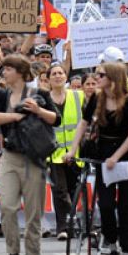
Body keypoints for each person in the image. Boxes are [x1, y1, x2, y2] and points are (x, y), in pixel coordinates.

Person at [0, 55, 60, 255]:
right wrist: (15, 117)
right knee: (7, 205)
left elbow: (55, 119)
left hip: (33, 157)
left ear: (19, 72)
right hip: (10, 155)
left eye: (8, 69)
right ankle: (13, 253)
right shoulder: (2, 94)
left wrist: (37, 110)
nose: (4, 73)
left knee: (33, 210)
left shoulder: (40, 94)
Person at [70, 61, 128, 255]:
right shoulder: (97, 99)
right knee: (107, 205)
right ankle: (112, 248)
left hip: (126, 156)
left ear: (112, 77)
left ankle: (126, 254)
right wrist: (73, 150)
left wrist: (116, 157)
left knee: (127, 207)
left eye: (100, 74)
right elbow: (83, 123)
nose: (96, 78)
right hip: (104, 153)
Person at [46, 63, 85, 240]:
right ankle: (64, 227)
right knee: (60, 191)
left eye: (61, 73)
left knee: (74, 190)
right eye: (54, 73)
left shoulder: (79, 96)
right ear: (48, 79)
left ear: (66, 77)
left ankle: (75, 224)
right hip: (54, 154)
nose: (58, 76)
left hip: (76, 153)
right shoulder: (44, 99)